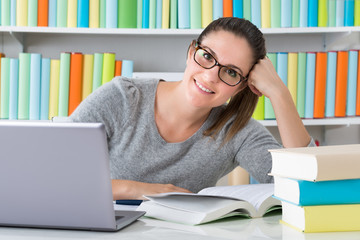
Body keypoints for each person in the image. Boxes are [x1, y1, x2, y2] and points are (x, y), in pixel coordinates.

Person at [70, 17, 315, 200]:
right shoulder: (123, 98)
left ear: (242, 87)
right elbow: (51, 172)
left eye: (231, 72)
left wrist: (279, 94)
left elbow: (306, 187)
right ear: (191, 52)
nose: (210, 77)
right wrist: (132, 189)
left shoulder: (237, 132)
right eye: (207, 56)